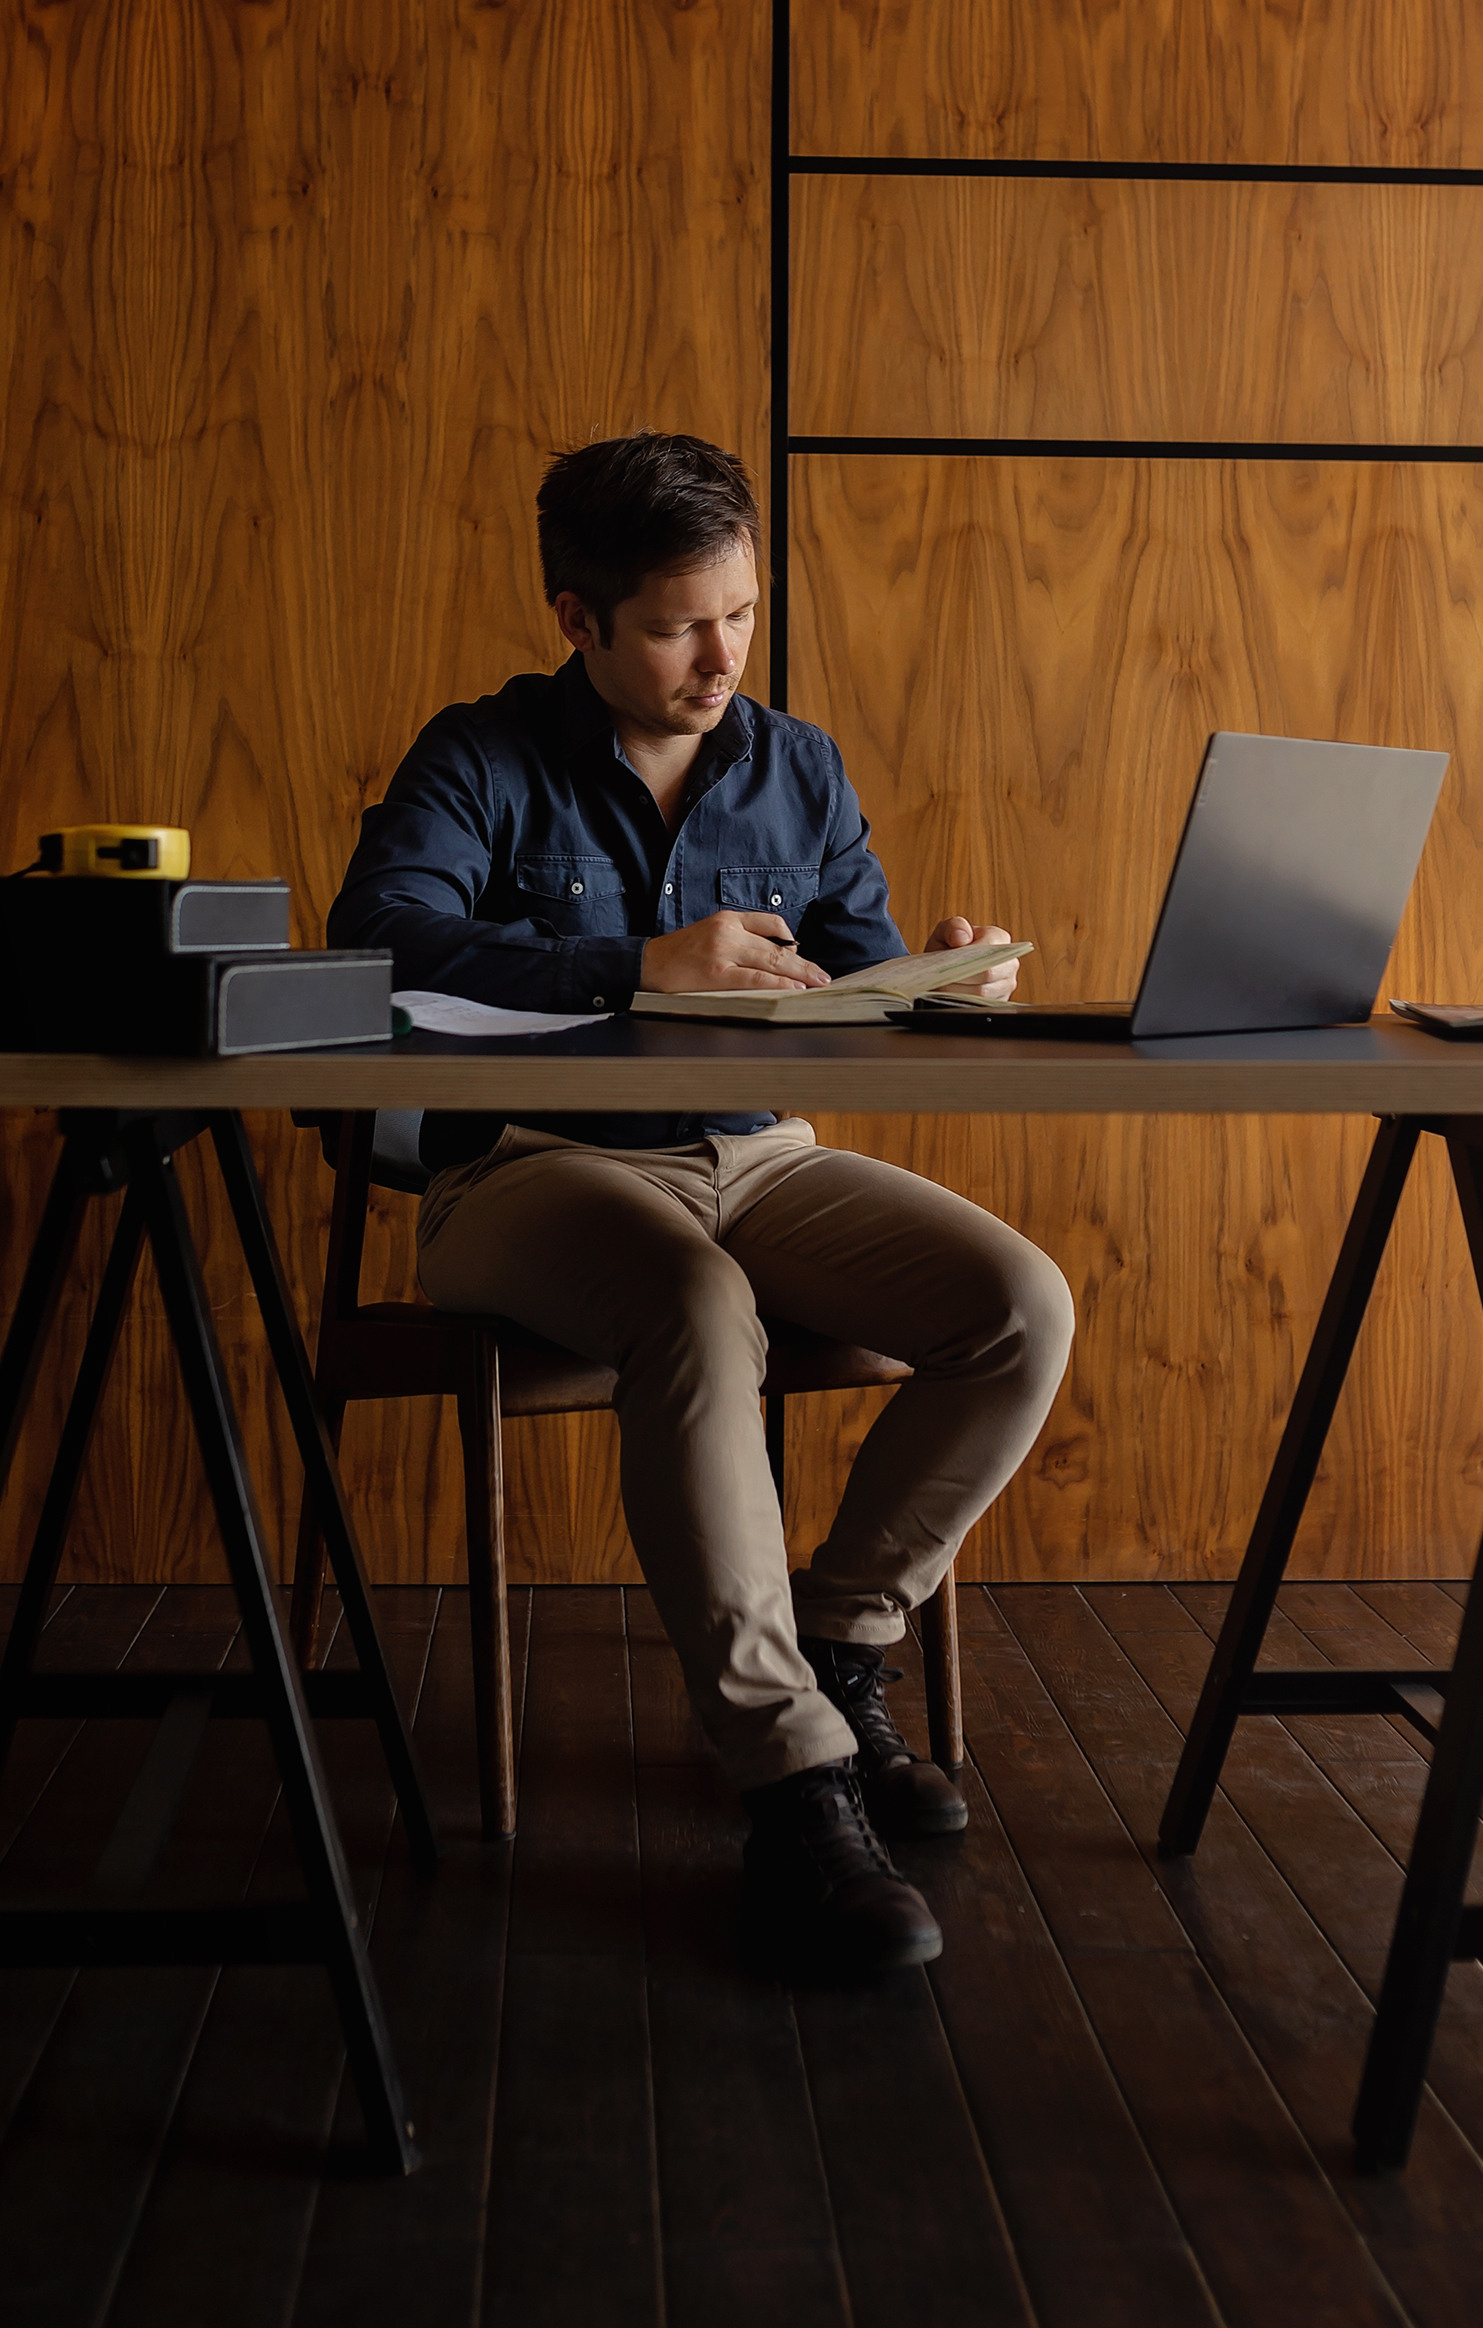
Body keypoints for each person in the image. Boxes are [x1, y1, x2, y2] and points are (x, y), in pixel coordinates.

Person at [331, 432, 1074, 1976]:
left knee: (1017, 1307)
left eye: (738, 611)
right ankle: (794, 1784)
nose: (719, 655)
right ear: (578, 617)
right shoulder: (477, 756)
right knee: (693, 1308)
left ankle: (842, 1644)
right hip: (527, 1167)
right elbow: (380, 947)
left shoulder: (796, 763)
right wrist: (628, 967)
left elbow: (856, 983)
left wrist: (942, 975)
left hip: (763, 1153)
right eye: (676, 624)